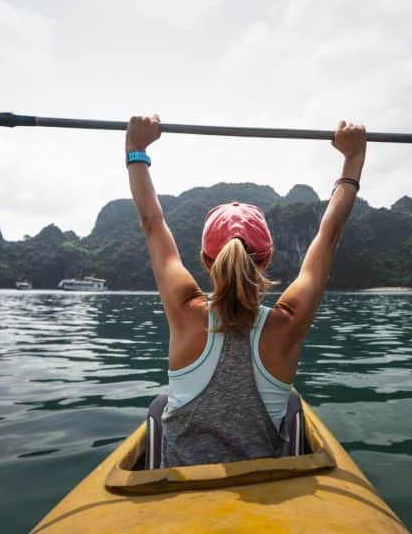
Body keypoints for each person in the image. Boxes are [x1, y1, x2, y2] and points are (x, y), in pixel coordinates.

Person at [125, 115, 366, 468]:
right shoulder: (287, 323)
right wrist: (353, 159)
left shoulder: (185, 310)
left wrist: (136, 150)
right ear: (266, 259)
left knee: (159, 407)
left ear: (207, 261)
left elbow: (152, 223)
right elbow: (328, 235)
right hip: (262, 485)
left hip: (184, 490)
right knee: (292, 405)